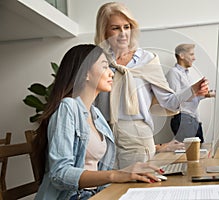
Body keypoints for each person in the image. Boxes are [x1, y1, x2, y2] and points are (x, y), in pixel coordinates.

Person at [34, 44, 163, 200]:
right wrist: (116, 175)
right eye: (104, 67)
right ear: (85, 73)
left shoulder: (96, 115)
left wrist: (132, 170)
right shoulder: (67, 107)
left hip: (95, 194)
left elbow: (98, 168)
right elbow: (59, 173)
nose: (111, 73)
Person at [94, 2, 209, 169]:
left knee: (134, 191)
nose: (123, 34)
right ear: (104, 30)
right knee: (107, 191)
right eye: (115, 28)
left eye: (127, 27)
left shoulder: (147, 59)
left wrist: (192, 90)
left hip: (136, 136)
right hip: (103, 137)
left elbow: (168, 101)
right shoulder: (97, 60)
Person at [166, 44, 206, 143]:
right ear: (181, 56)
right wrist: (194, 91)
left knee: (199, 152)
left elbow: (191, 97)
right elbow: (176, 99)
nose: (194, 58)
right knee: (188, 155)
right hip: (183, 120)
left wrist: (205, 93)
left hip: (193, 119)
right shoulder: (174, 73)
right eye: (191, 54)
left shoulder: (187, 74)